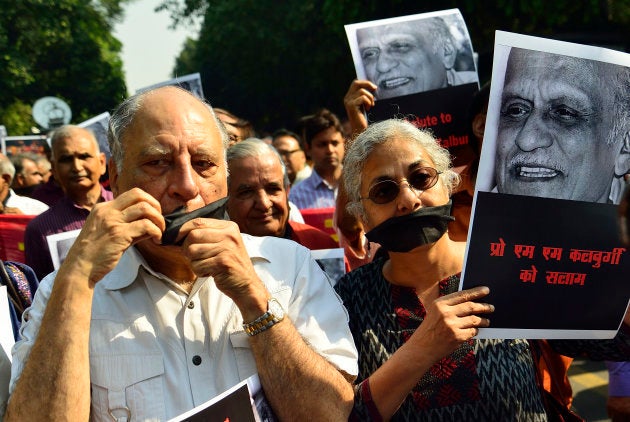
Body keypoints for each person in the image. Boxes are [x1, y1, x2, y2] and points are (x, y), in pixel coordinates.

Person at [6, 86, 357, 421]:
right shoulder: (65, 291)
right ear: (114, 175)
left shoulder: (288, 266)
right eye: (159, 162)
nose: (187, 187)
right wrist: (78, 281)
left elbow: (328, 414)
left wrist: (255, 300)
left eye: (204, 164)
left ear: (226, 177)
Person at [334, 119, 630, 420]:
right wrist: (422, 348)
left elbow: (611, 342)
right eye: (385, 191)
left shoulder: (508, 263)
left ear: (449, 184)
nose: (409, 200)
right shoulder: (348, 299)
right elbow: (341, 413)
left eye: (421, 177)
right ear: (363, 215)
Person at [495, 48, 630, 204]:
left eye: (565, 113)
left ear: (625, 148)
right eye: (516, 110)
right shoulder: (463, 211)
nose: (527, 139)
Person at [24, 125, 112, 280]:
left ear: (102, 163)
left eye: (84, 156)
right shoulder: (40, 229)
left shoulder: (128, 207)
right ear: (54, 170)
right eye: (66, 159)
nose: (77, 167)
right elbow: (41, 294)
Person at [227, 138, 339, 251]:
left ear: (287, 191)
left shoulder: (322, 246)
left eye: (273, 189)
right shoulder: (215, 259)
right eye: (247, 192)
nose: (264, 204)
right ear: (225, 200)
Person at [356, 16, 478, 100]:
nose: (382, 66)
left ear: (446, 52)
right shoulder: (366, 106)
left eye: (400, 46)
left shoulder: (483, 98)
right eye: (370, 54)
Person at [289, 108, 345, 210]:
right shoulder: (295, 196)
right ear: (307, 149)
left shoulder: (359, 185)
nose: (330, 150)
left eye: (335, 143)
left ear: (344, 144)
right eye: (322, 145)